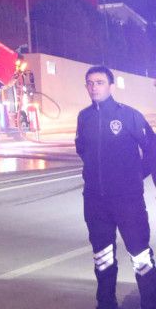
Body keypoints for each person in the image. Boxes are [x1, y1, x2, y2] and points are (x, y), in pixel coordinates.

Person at [75, 65, 156, 309]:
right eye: (89, 82)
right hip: (95, 201)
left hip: (127, 200)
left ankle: (150, 302)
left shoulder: (129, 116)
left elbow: (152, 148)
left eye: (99, 82)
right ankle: (106, 302)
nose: (93, 87)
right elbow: (82, 149)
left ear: (111, 86)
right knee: (102, 255)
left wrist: (136, 175)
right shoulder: (84, 117)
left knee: (140, 254)